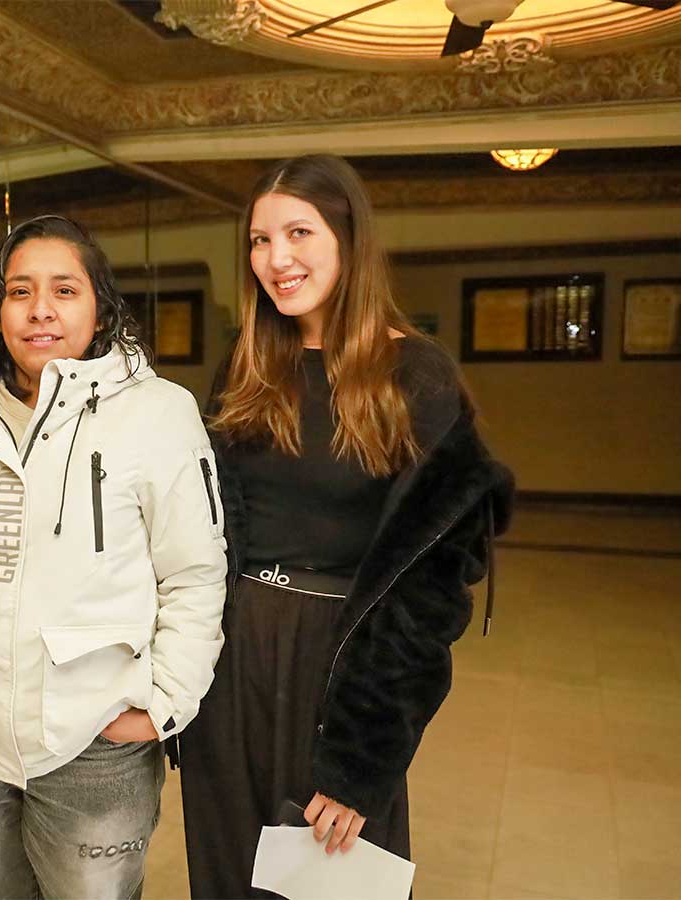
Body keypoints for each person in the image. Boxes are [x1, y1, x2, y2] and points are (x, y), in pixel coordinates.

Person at [179, 154, 514, 898]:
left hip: (341, 670)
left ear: (348, 239)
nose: (277, 259)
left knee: (328, 884)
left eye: (298, 232)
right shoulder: (246, 365)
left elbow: (429, 593)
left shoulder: (416, 376)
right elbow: (202, 529)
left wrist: (364, 762)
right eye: (260, 241)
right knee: (230, 875)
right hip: (232, 659)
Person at [0, 215, 228, 899]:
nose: (40, 311)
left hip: (92, 744)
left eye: (65, 290)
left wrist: (164, 705)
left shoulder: (157, 413)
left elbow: (195, 573)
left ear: (101, 307)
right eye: (19, 291)